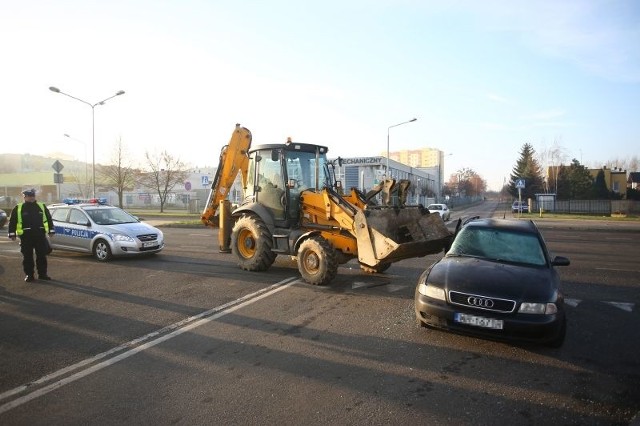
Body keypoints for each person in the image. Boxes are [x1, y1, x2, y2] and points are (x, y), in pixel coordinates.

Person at [7, 189, 55, 282]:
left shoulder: (41, 206)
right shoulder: (18, 208)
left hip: (40, 235)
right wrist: (12, 234)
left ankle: (42, 274)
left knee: (41, 256)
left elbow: (49, 219)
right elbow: (12, 222)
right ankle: (29, 275)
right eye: (29, 196)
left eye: (33, 196)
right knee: (27, 257)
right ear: (24, 197)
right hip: (26, 237)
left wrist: (51, 230)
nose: (32, 198)